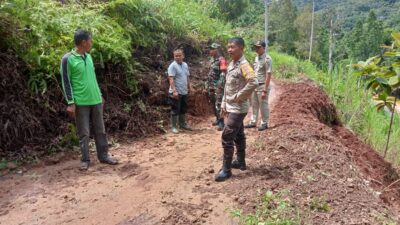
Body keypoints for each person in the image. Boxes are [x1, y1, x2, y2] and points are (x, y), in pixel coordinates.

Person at [60, 29, 118, 170]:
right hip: (81, 102)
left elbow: (93, 78)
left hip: (95, 100)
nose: (91, 43)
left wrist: (99, 94)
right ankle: (85, 159)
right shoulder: (67, 59)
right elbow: (65, 81)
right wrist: (71, 103)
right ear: (83, 42)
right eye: (90, 40)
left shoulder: (89, 57)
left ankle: (104, 156)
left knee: (100, 129)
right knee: (84, 132)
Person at [215, 37, 258, 182]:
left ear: (241, 48)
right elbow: (228, 87)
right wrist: (223, 105)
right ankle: (240, 162)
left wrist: (240, 96)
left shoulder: (244, 65)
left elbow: (254, 82)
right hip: (231, 106)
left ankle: (226, 170)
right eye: (228, 47)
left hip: (238, 108)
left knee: (227, 136)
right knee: (238, 135)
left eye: (232, 47)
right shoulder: (233, 63)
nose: (229, 50)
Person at [244, 40, 272, 131]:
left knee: (263, 105)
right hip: (255, 85)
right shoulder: (256, 58)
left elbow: (268, 74)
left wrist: (265, 90)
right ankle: (253, 122)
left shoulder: (267, 59)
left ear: (264, 48)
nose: (256, 49)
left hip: (262, 85)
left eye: (258, 47)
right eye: (255, 47)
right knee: (254, 104)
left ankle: (264, 123)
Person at [168, 48, 192, 134]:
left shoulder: (185, 65)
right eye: (175, 56)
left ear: (183, 56)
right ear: (174, 57)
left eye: (179, 55)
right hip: (176, 92)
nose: (177, 57)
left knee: (183, 108)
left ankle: (182, 124)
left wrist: (190, 87)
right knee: (175, 109)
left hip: (184, 91)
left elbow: (187, 77)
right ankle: (174, 126)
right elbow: (171, 79)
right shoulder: (172, 66)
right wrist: (174, 91)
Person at [207, 43, 227, 131]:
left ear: (217, 50)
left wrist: (220, 84)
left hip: (218, 86)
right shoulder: (212, 60)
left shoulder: (221, 60)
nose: (210, 50)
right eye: (210, 49)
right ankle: (217, 119)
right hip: (211, 85)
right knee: (213, 102)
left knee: (219, 103)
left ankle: (222, 122)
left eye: (212, 49)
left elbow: (223, 73)